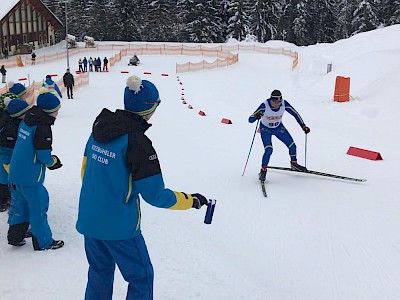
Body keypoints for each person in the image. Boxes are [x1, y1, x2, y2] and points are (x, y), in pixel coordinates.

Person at [76, 75, 209, 299]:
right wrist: (190, 200)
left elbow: (84, 172)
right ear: (151, 108)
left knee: (99, 273)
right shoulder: (137, 143)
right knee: (141, 277)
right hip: (119, 227)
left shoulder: (99, 129)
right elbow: (155, 195)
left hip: (90, 220)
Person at [8, 88, 64, 250]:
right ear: (50, 111)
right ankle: (43, 241)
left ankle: (15, 235)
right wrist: (54, 162)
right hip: (30, 176)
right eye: (56, 110)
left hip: (16, 171)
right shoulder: (42, 127)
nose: (58, 113)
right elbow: (43, 155)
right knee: (38, 206)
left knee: (21, 204)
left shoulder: (28, 120)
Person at [248, 89, 310, 181]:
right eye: (276, 102)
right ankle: (263, 170)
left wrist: (303, 126)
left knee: (292, 146)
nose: (278, 104)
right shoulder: (264, 105)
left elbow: (295, 114)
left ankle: (294, 164)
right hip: (265, 129)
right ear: (271, 100)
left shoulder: (284, 104)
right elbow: (250, 119)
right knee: (269, 149)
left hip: (278, 128)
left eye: (279, 102)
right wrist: (257, 116)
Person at [0, 98, 30, 216]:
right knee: (5, 179)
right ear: (18, 115)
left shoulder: (11, 120)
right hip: (6, 157)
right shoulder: (10, 128)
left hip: (8, 156)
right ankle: (3, 202)